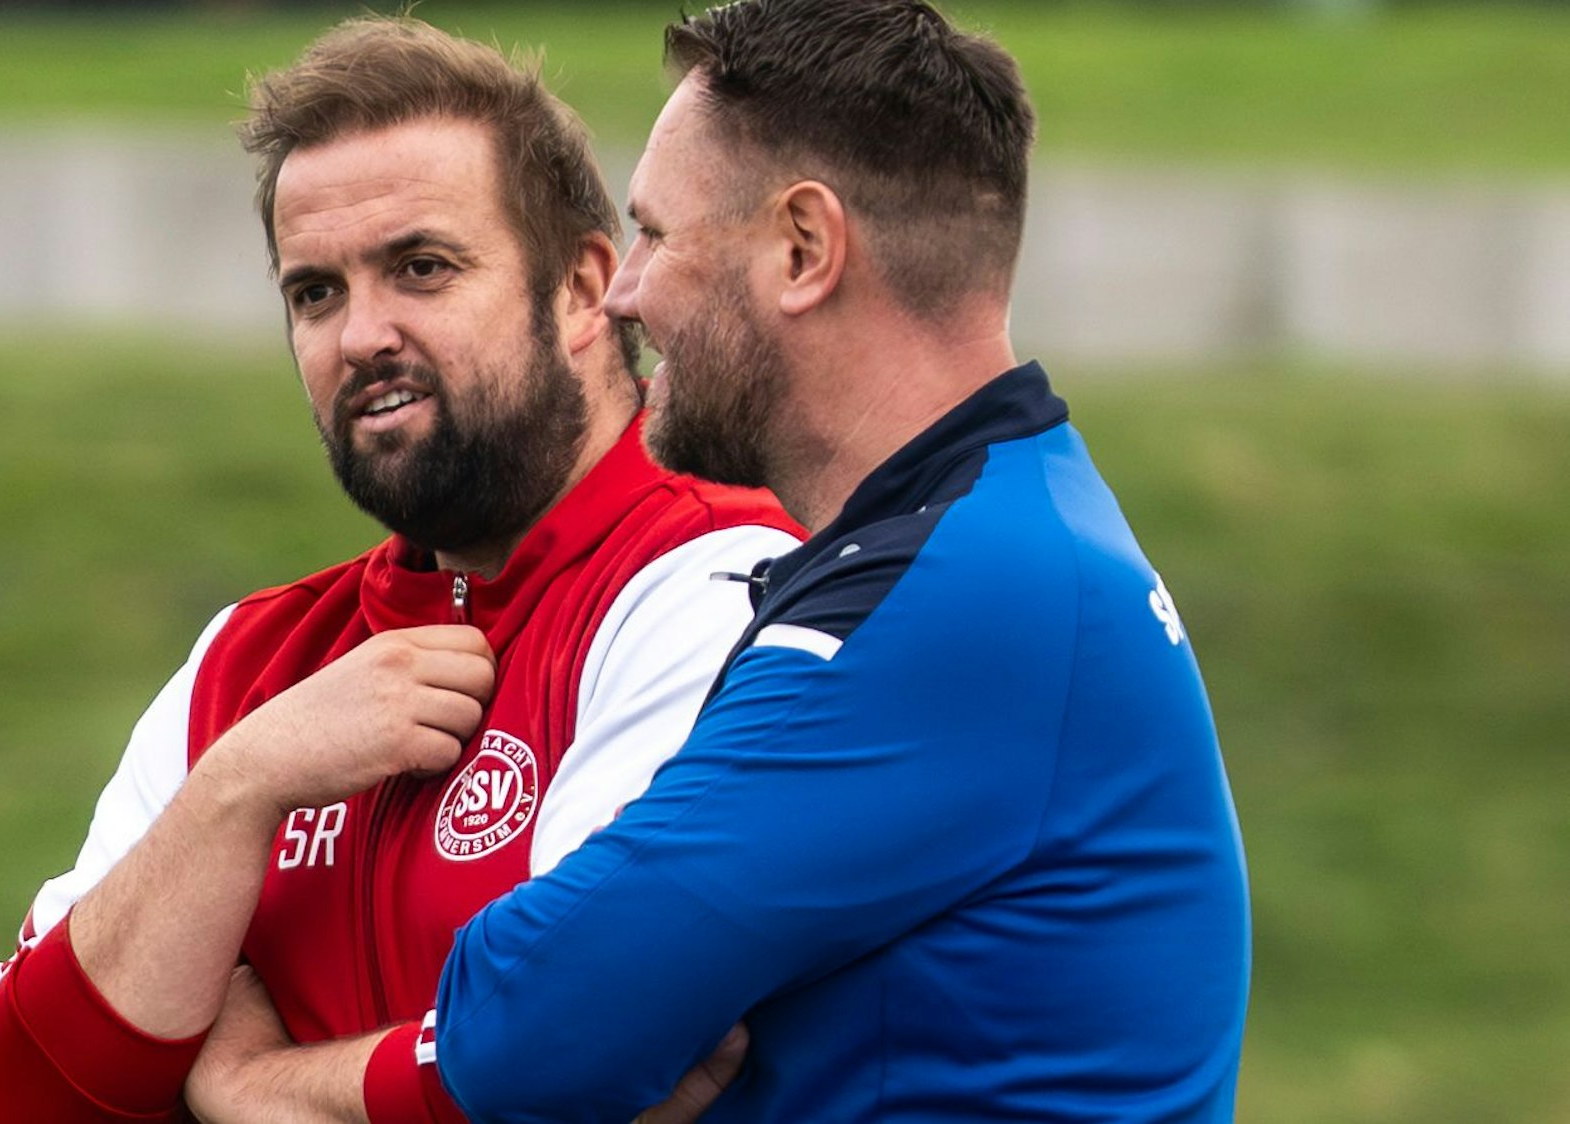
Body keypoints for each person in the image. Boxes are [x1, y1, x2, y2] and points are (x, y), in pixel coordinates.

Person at [410, 1, 1255, 1120]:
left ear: (803, 248)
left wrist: (262, 1083)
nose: (623, 293)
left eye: (655, 233)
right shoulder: (1018, 523)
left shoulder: (955, 597)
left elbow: (520, 1026)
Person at [0, 17, 800, 1124]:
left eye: (420, 268)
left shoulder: (724, 583)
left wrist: (248, 1087)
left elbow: (569, 1058)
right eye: (315, 292)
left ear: (582, 286)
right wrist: (238, 790)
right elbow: (12, 1094)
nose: (360, 336)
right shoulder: (251, 667)